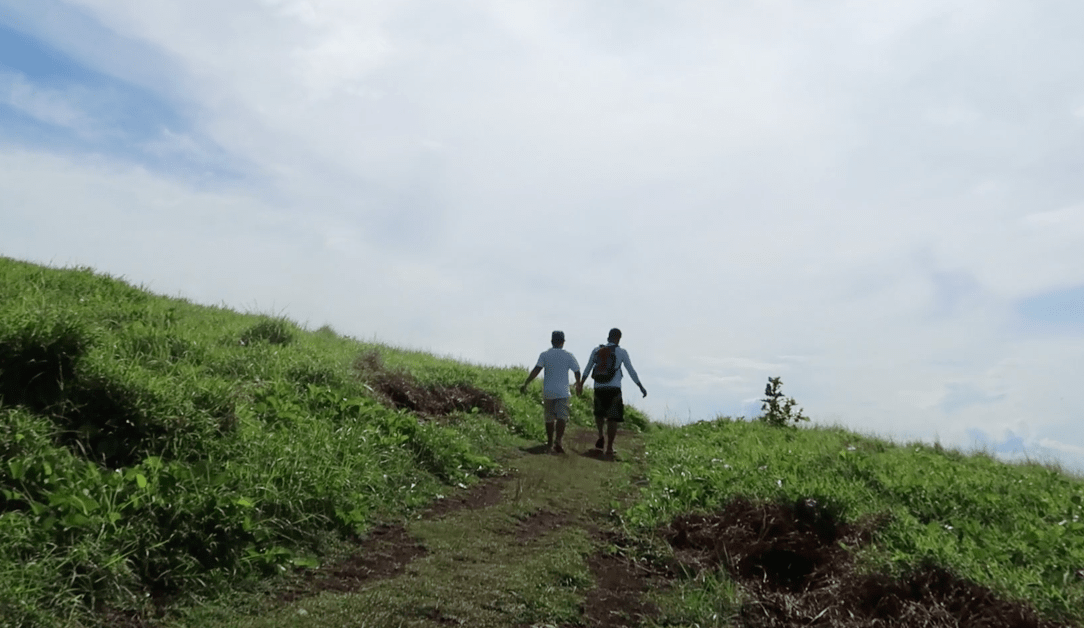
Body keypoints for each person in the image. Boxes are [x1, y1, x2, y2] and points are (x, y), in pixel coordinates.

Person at [576, 328, 646, 458]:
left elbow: (588, 367)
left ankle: (601, 435)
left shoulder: (597, 350)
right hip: (614, 388)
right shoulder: (621, 352)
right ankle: (609, 447)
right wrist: (640, 386)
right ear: (618, 338)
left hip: (598, 386)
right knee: (613, 418)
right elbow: (631, 370)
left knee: (599, 414)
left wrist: (581, 383)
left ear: (608, 337)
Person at [520, 330, 581, 453]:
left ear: (552, 341)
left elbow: (537, 369)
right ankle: (558, 441)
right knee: (561, 417)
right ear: (563, 342)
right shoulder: (568, 355)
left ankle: (549, 441)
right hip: (563, 392)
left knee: (549, 418)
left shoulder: (545, 355)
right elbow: (577, 371)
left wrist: (526, 382)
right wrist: (578, 384)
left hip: (548, 391)